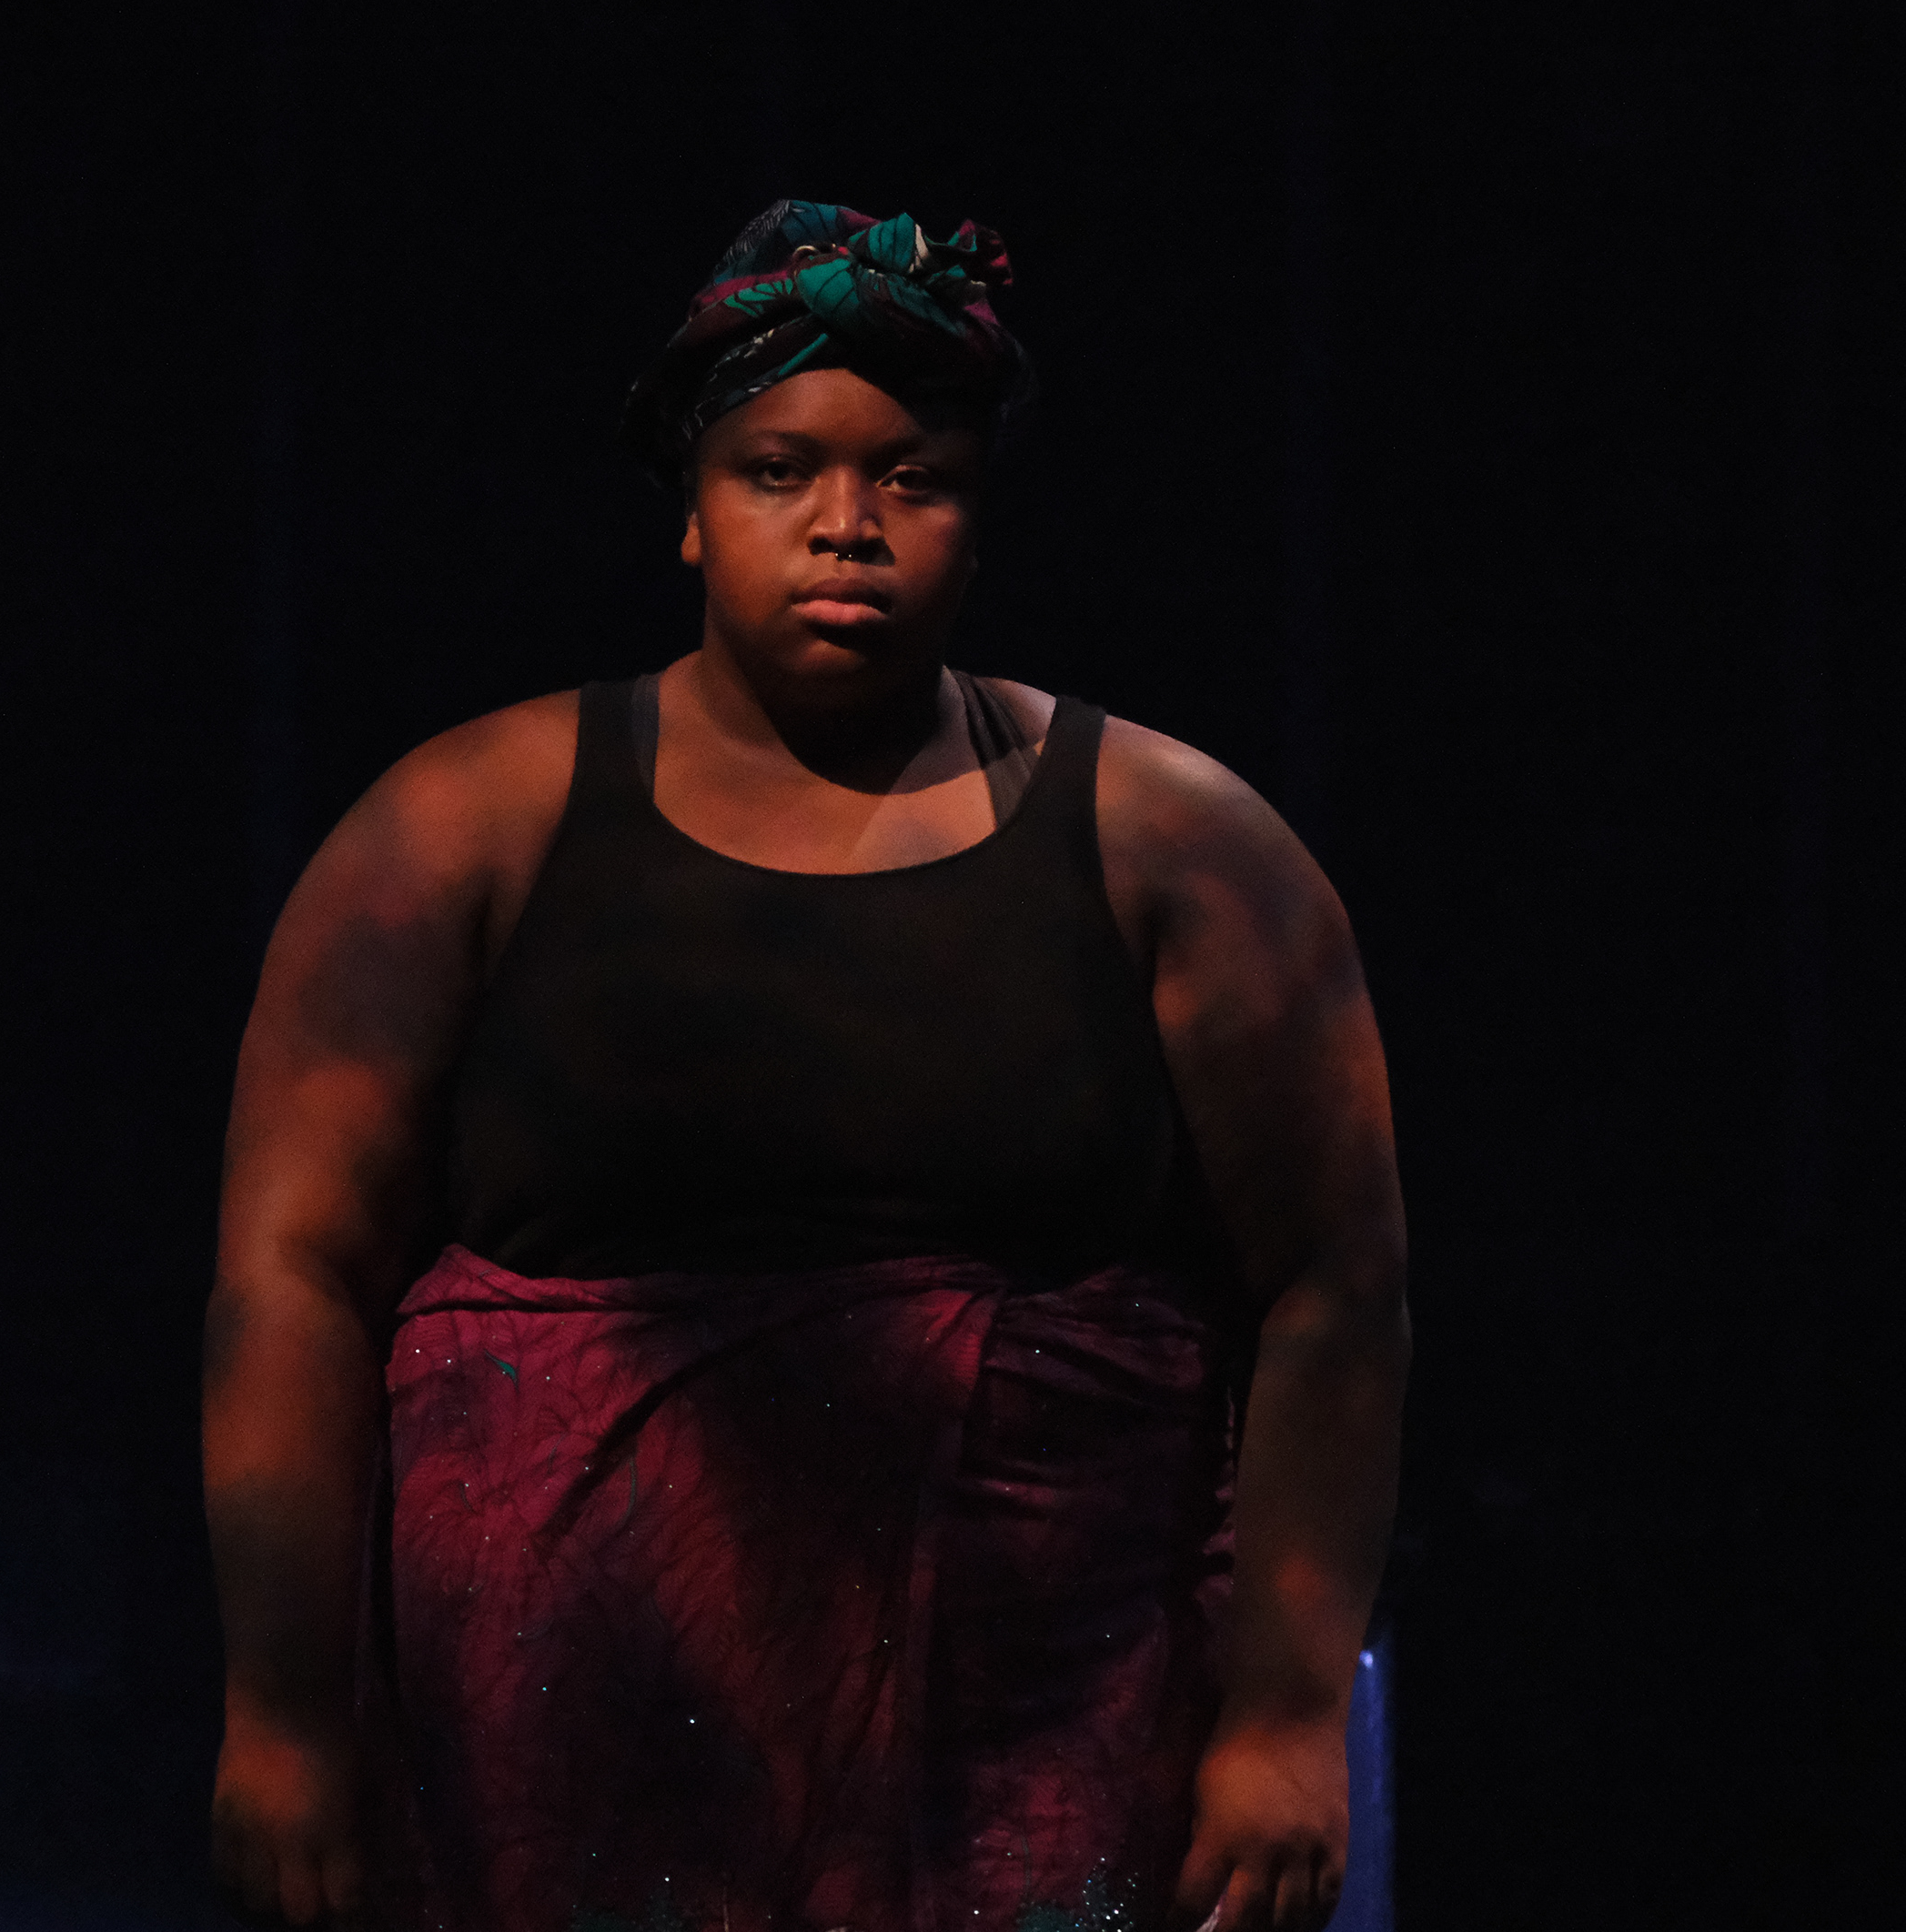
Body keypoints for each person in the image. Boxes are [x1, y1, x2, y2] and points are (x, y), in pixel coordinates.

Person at [204, 203, 1407, 1932]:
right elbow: (290, 1276)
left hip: (1041, 1728)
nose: (848, 524)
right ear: (693, 511)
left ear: (978, 518)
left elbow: (1339, 1289)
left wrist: (1287, 1716)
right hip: (560, 1743)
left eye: (914, 479)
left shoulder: (1182, 849)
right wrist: (284, 1707)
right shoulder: (457, 831)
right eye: (780, 471)